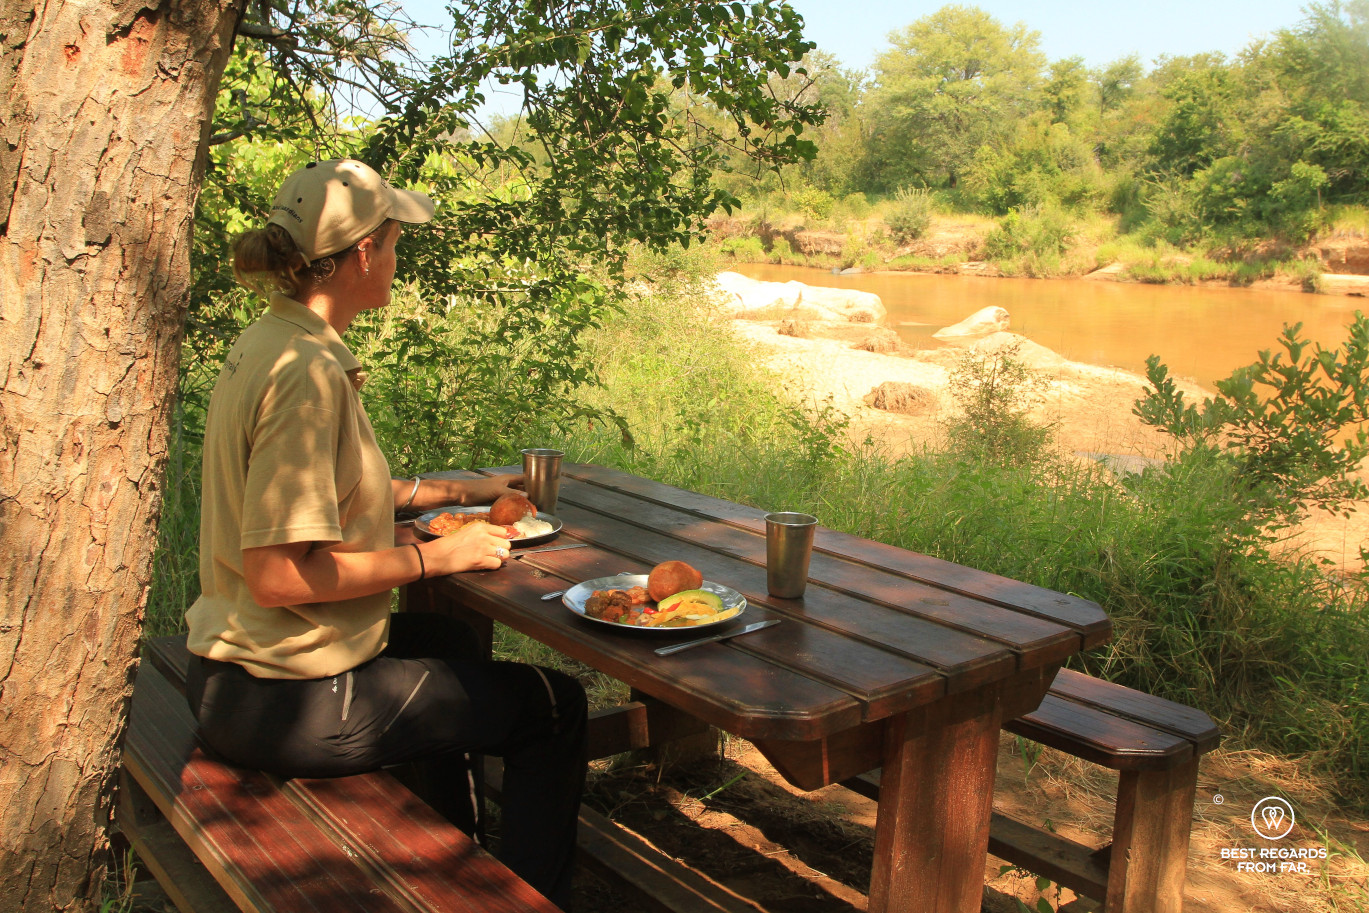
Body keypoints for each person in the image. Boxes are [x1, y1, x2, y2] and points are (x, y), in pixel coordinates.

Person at [185, 158, 587, 910]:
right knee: (554, 707)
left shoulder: (274, 339)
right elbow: (276, 574)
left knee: (455, 649)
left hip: (234, 673)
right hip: (290, 697)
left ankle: (456, 855)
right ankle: (528, 897)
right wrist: (436, 555)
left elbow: (347, 493)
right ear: (364, 252)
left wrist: (464, 491)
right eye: (396, 244)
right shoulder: (306, 374)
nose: (398, 262)